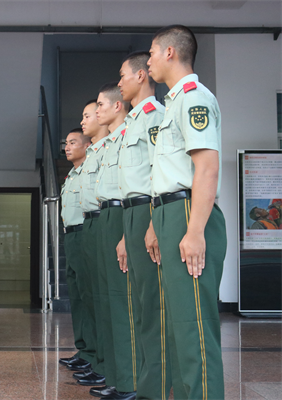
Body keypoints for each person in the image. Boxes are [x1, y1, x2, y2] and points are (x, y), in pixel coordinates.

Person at [148, 25, 226, 399]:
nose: (148, 61)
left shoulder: (195, 98)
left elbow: (207, 168)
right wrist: (155, 223)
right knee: (178, 325)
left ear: (170, 52)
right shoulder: (174, 103)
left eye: (151, 53)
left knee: (194, 325)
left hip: (189, 214)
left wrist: (195, 231)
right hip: (171, 213)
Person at [117, 52, 172, 400]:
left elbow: (158, 171)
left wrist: (152, 222)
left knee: (153, 306)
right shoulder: (133, 121)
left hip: (147, 211)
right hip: (131, 215)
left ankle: (156, 389)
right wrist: (127, 234)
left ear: (140, 76)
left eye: (123, 75)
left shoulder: (155, 116)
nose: (119, 82)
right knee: (140, 306)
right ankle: (144, 384)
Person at [94, 82, 137, 400]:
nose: (97, 111)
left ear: (117, 106)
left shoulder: (129, 133)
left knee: (123, 303)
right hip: (105, 215)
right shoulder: (109, 142)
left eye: (100, 105)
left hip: (123, 213)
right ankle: (116, 376)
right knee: (108, 302)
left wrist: (125, 233)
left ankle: (130, 381)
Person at [69, 100, 109, 390]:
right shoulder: (83, 165)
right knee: (83, 297)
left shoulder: (105, 150)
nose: (84, 121)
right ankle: (91, 355)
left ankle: (103, 363)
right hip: (81, 230)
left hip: (97, 225)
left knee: (101, 300)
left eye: (88, 115)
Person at [59, 127, 94, 372]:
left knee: (88, 295)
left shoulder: (91, 170)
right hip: (70, 235)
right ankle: (84, 349)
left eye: (73, 142)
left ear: (87, 146)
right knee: (77, 297)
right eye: (66, 143)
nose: (67, 147)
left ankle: (94, 353)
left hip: (85, 233)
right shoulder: (71, 175)